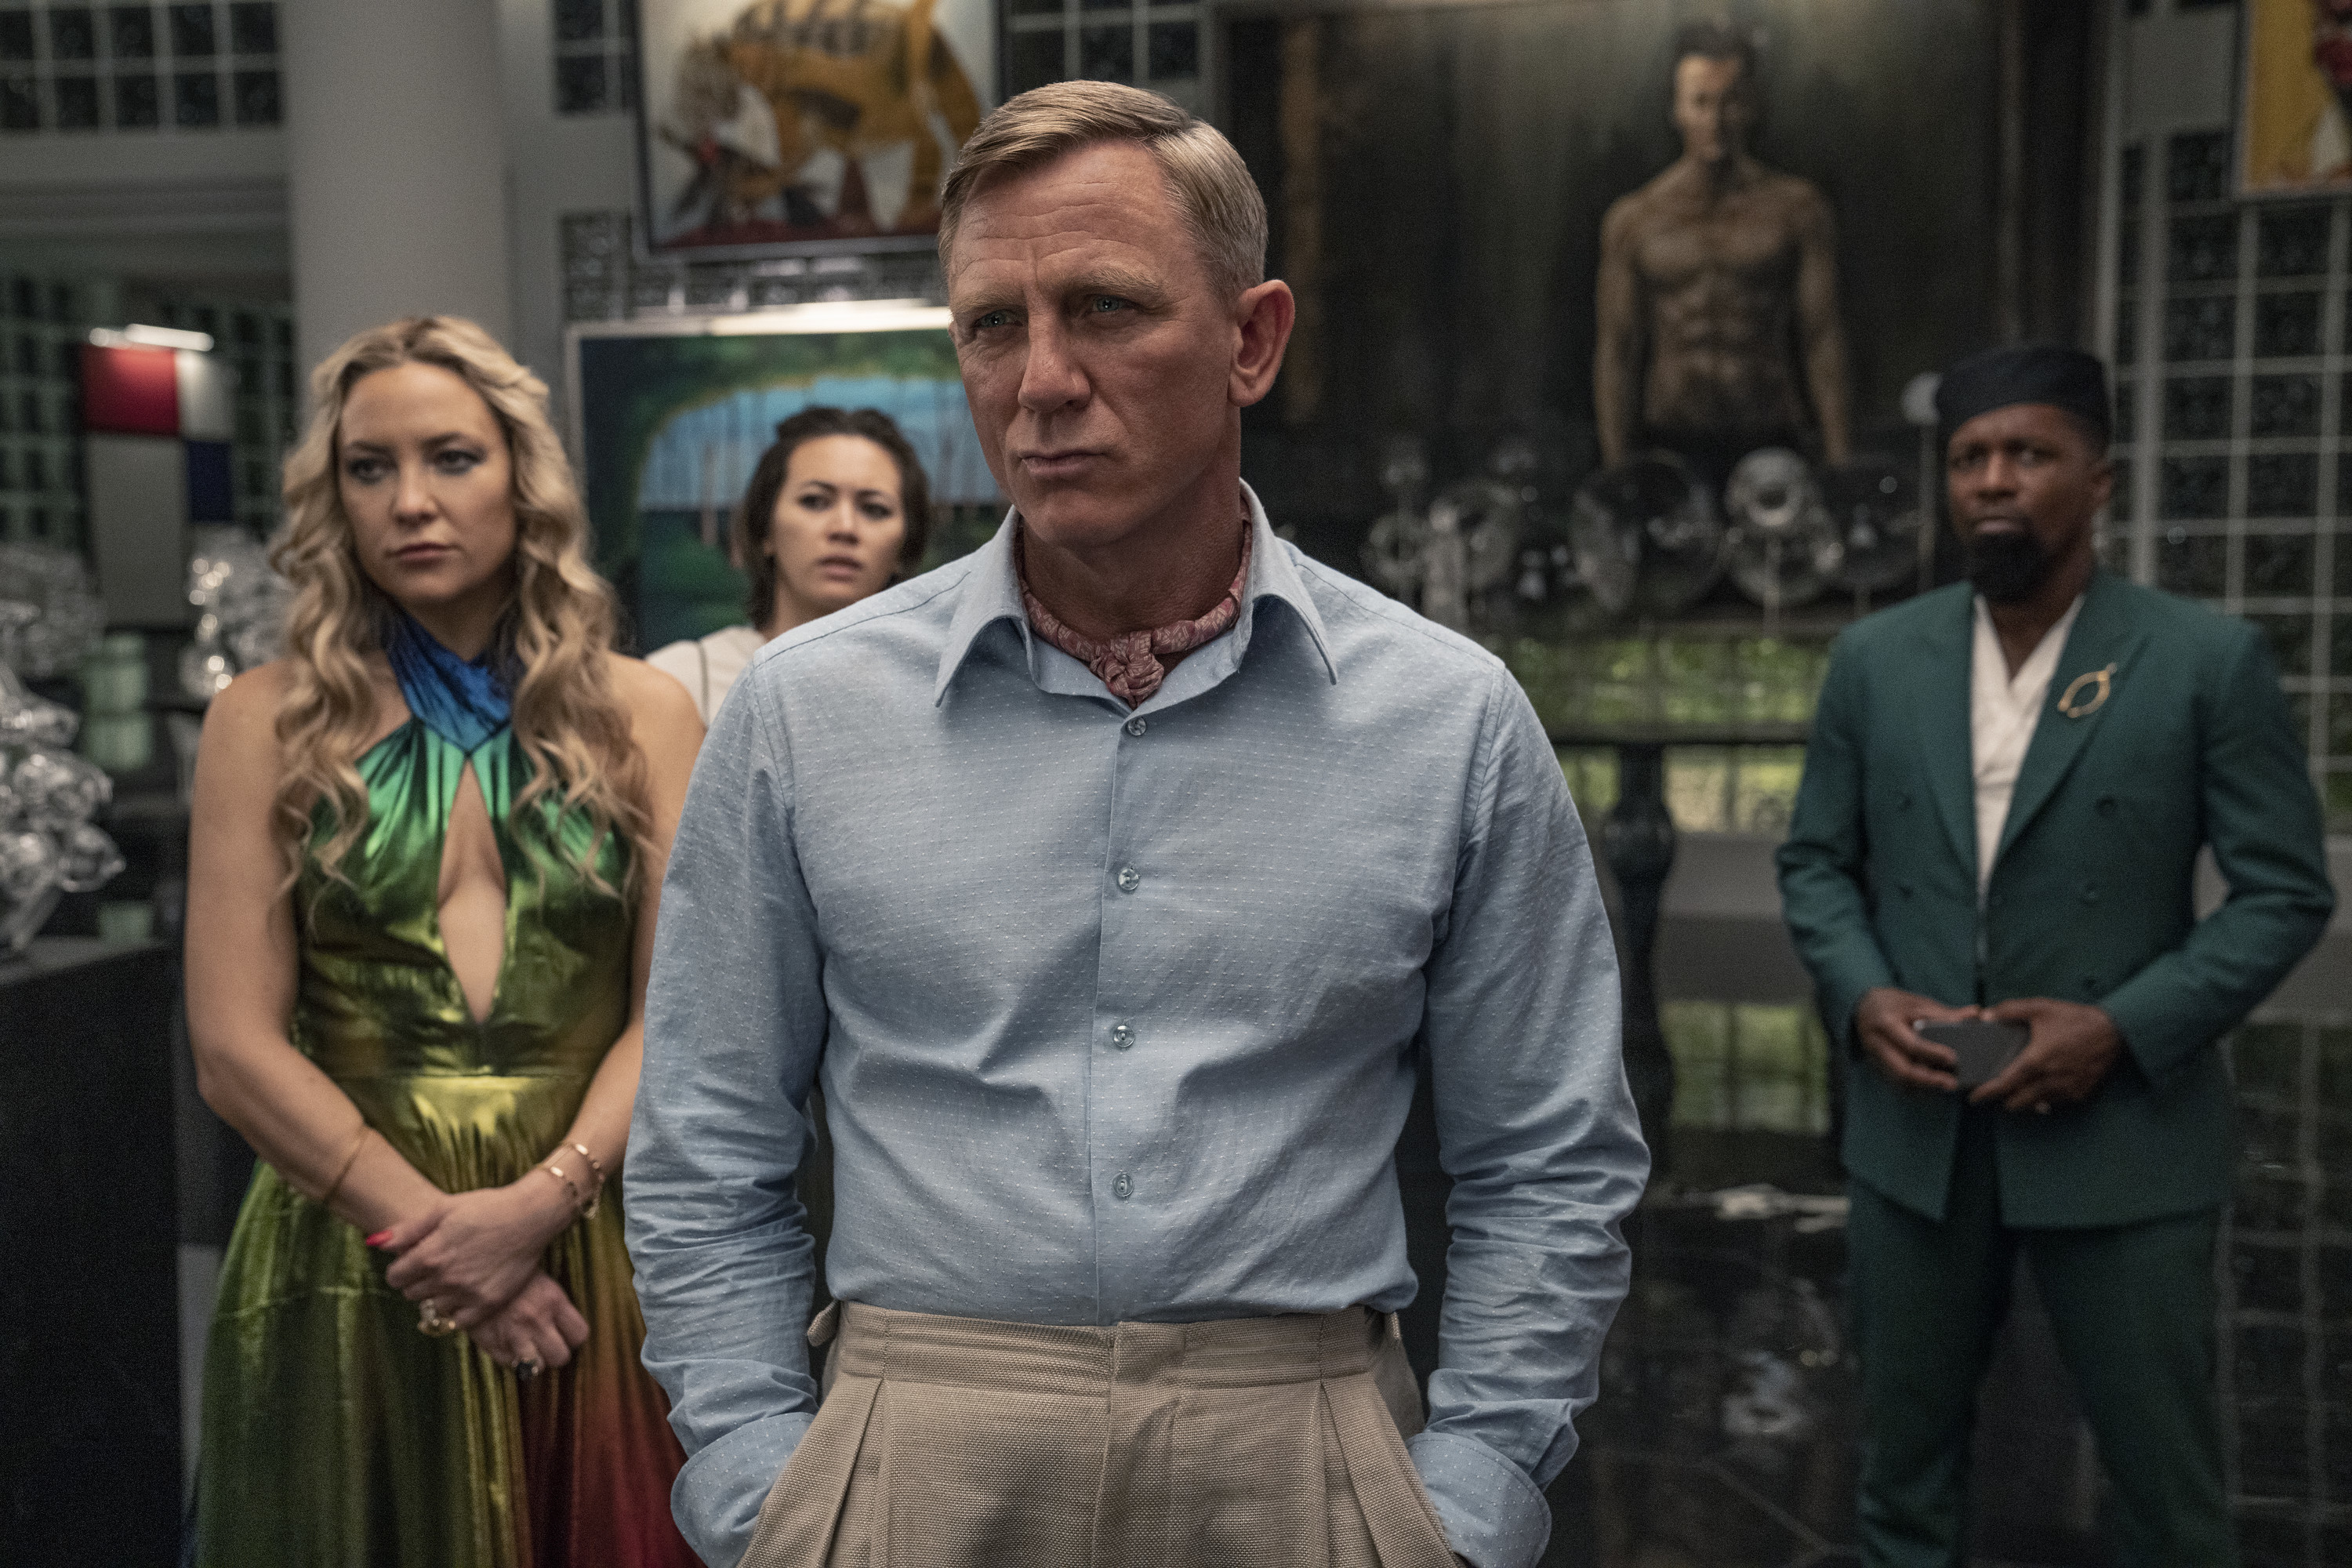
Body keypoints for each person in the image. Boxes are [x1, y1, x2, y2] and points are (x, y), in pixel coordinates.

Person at [626, 80, 1647, 1568]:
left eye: (1105, 308)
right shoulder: (806, 714)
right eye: (991, 324)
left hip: (1298, 1448)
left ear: (1252, 339)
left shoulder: (1445, 717)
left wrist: (1478, 1483)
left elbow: (1550, 1153)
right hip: (915, 1440)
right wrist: (754, 1474)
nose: (1040, 379)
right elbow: (707, 1139)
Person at [1776, 343, 2335, 1566]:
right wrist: (1864, 994)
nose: (1993, 481)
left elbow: (2284, 891)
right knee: (1902, 1485)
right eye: (1971, 458)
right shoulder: (1878, 660)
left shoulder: (2202, 660)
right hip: (1917, 1136)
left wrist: (2124, 1028)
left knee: (2167, 1495)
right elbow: (1815, 861)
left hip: (2122, 1139)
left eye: (2030, 455)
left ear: (2101, 483)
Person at [184, 316, 705, 1566]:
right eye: (371, 468)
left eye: (453, 458)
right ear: (334, 495)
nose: (411, 501)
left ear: (525, 479)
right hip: (350, 1241)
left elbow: (683, 1011)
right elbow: (234, 1049)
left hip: (584, 1235)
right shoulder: (264, 721)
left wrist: (535, 1208)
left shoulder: (644, 712)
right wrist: (439, 1241)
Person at [1595, 20, 1850, 482]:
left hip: (1771, 435)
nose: (1715, 121)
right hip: (1671, 439)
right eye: (1700, 102)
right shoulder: (1634, 220)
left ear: (1750, 106)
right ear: (1677, 109)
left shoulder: (1796, 208)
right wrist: (1617, 472)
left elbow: (1821, 337)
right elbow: (1618, 349)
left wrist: (1839, 461)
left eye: (1729, 101)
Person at [647, 405, 932, 724]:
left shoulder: (935, 687)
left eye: (874, 509)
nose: (844, 528)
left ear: (905, 546)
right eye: (814, 501)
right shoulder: (680, 680)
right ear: (765, 529)